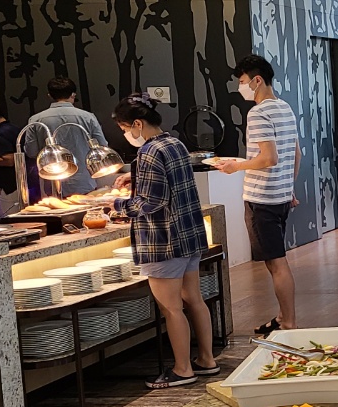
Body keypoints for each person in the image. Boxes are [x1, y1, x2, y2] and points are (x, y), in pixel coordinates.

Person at [113, 95, 217, 388]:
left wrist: (117, 205)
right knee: (194, 298)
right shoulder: (175, 143)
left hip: (163, 239)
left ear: (137, 124)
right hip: (188, 234)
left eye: (125, 128)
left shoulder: (148, 151)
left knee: (171, 308)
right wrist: (134, 180)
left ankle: (183, 369)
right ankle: (207, 360)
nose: (126, 134)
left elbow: (152, 201)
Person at [213, 55, 300, 335]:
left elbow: (268, 158)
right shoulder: (285, 108)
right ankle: (283, 316)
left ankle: (288, 322)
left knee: (277, 262)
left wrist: (234, 166)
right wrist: (288, 188)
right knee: (276, 261)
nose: (241, 87)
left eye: (242, 81)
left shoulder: (258, 113)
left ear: (257, 80)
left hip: (262, 199)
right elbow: (296, 154)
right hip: (280, 197)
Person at [21, 77, 106, 197]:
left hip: (53, 181)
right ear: (73, 95)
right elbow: (102, 146)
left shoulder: (36, 120)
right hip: (84, 181)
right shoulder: (88, 117)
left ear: (50, 96)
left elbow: (31, 151)